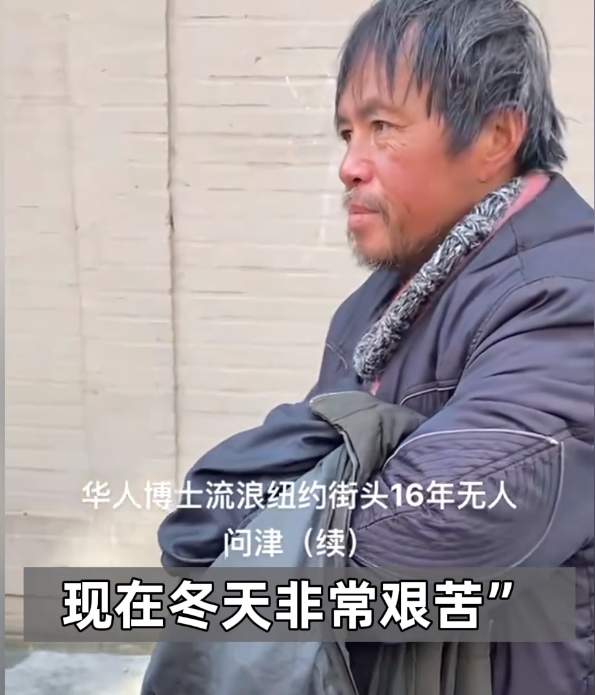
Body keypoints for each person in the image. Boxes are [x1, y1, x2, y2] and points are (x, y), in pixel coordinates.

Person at [156, 1, 594, 693]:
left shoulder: (565, 299)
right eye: (346, 133)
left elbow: (401, 547)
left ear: (495, 136)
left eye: (383, 127)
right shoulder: (376, 304)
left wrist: (255, 529)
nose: (349, 166)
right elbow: (209, 518)